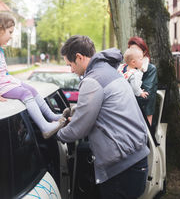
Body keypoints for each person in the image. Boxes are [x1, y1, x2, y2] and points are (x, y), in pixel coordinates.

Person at [57, 35, 150, 199]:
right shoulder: (108, 71)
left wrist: (56, 135)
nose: (71, 70)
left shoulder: (93, 80)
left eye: (70, 64)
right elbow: (103, 112)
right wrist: (76, 117)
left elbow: (79, 129)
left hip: (122, 169)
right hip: (135, 161)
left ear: (79, 57)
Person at [0, 12, 68, 139]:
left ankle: (51, 115)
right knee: (24, 94)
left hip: (6, 81)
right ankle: (45, 127)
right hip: (1, 85)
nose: (11, 36)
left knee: (31, 89)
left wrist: (12, 79)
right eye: (10, 32)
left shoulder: (1, 50)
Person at [128, 36, 158, 125]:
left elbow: (145, 96)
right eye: (130, 50)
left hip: (143, 114)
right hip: (128, 112)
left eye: (136, 50)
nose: (132, 53)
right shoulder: (126, 68)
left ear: (144, 52)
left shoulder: (150, 69)